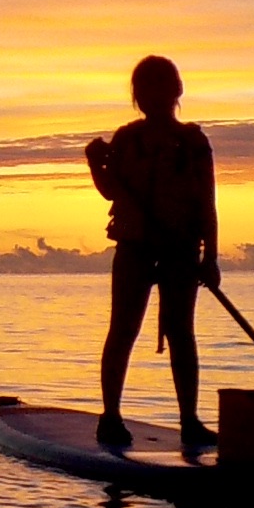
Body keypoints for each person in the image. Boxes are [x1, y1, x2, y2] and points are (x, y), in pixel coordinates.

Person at [85, 55, 221, 452]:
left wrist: (210, 257)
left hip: (180, 251)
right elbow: (112, 190)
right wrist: (95, 164)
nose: (150, 97)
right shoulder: (127, 139)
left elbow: (207, 204)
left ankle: (190, 422)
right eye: (143, 90)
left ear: (176, 92)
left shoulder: (194, 143)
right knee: (123, 331)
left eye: (159, 88)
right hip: (135, 249)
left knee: (182, 335)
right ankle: (110, 418)